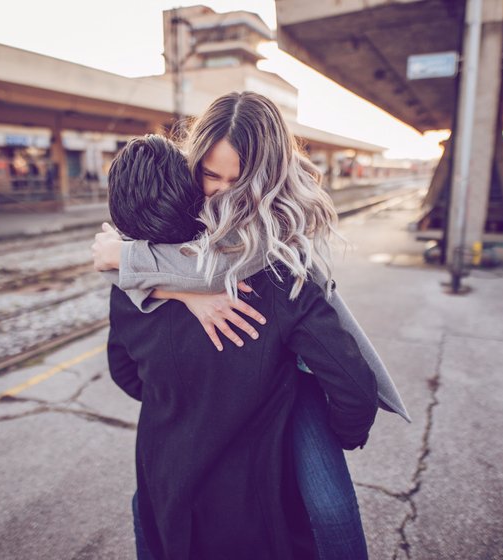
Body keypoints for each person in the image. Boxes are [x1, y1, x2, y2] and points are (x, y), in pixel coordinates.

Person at [94, 92, 410, 559]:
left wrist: (179, 399)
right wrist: (181, 293)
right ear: (191, 163)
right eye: (209, 175)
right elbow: (352, 385)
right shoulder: (270, 279)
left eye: (237, 180)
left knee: (330, 506)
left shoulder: (274, 247)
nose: (221, 192)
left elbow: (126, 373)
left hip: (173, 474)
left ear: (266, 178)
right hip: (251, 494)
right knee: (328, 512)